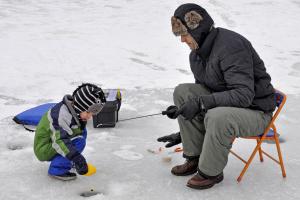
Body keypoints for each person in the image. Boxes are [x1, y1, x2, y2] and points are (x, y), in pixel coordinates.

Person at [158, 3, 276, 190]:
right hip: (227, 105)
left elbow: (243, 95)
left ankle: (209, 172)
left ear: (198, 30)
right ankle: (194, 157)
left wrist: (201, 103)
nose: (182, 41)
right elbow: (201, 92)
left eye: (185, 35)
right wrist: (185, 131)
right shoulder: (196, 54)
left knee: (217, 116)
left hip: (255, 111)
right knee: (183, 92)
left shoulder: (231, 47)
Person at [34, 83, 106, 181]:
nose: (90, 116)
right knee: (79, 141)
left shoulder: (74, 110)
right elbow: (60, 141)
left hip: (54, 141)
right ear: (81, 106)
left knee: (82, 132)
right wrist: (77, 158)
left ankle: (67, 161)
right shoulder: (61, 116)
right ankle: (57, 169)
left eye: (93, 113)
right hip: (44, 148)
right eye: (88, 112)